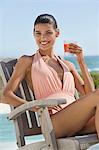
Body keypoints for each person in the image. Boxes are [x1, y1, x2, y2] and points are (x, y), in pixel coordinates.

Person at [1, 14, 99, 139]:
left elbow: (89, 93)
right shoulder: (28, 61)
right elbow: (5, 95)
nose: (43, 38)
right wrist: (36, 106)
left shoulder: (68, 65)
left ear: (57, 33)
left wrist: (81, 61)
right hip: (54, 123)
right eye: (38, 33)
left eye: (48, 33)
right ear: (33, 34)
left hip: (77, 122)